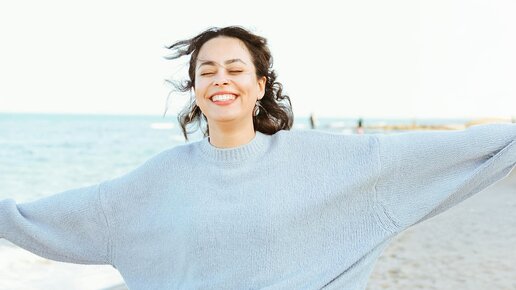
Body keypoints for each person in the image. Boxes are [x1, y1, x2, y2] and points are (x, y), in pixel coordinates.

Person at [1, 26, 515, 290]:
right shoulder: (157, 177)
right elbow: (58, 218)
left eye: (234, 68)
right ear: (196, 89)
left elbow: (432, 155)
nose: (220, 78)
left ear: (258, 84)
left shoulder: (323, 157)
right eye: (207, 71)